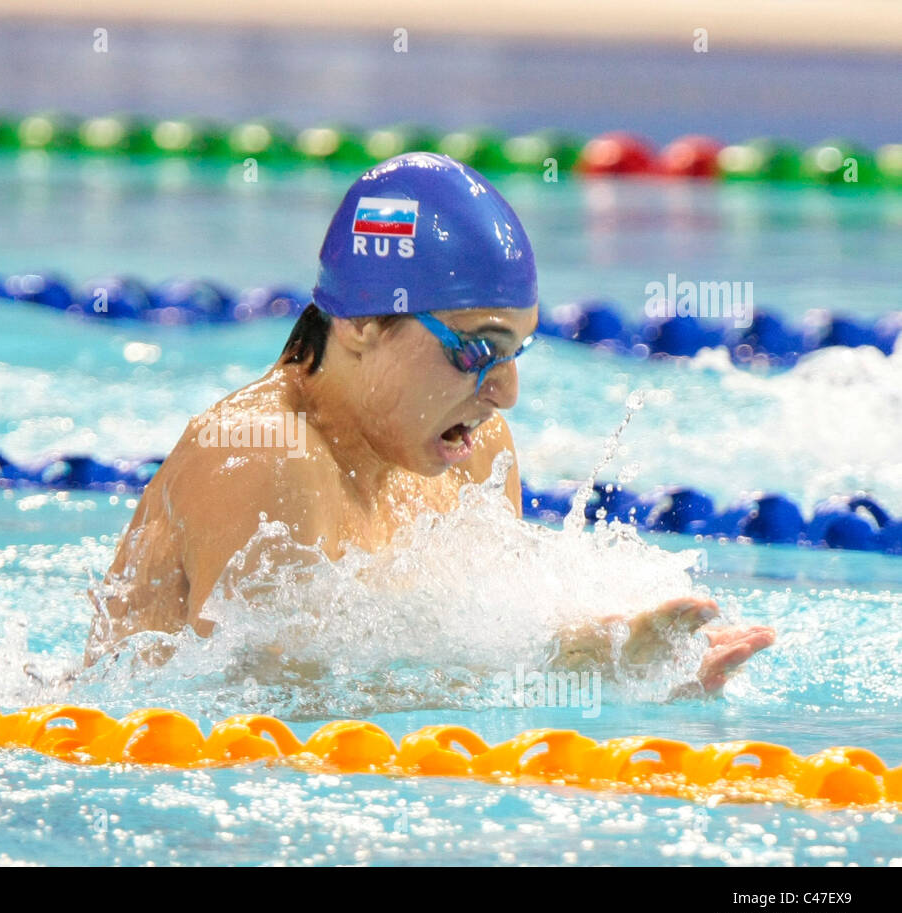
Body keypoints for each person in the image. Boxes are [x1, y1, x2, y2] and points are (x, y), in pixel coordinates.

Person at [84, 152, 773, 692]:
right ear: (360, 324)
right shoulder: (262, 453)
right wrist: (580, 663)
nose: (505, 392)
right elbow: (268, 708)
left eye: (516, 352)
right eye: (477, 349)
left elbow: (464, 648)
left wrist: (647, 678)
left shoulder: (472, 450)